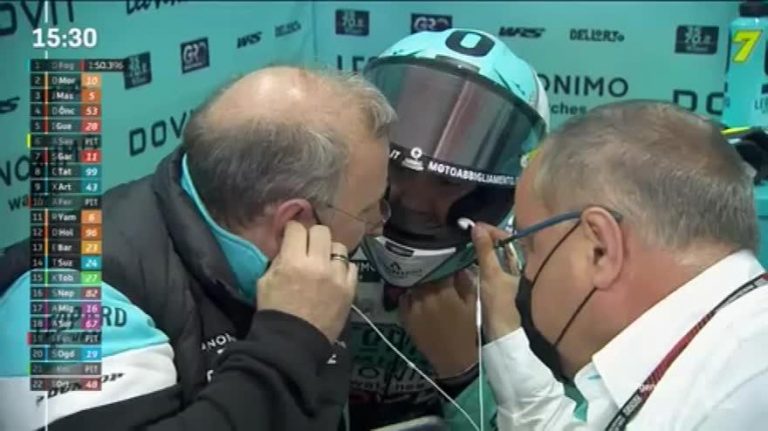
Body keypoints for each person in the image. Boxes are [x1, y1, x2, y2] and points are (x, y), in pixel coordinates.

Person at [0, 66, 396, 430]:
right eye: (366, 210)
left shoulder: (301, 261)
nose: (379, 222)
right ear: (293, 222)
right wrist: (291, 339)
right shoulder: (61, 298)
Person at [471, 101, 768, 430]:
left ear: (600, 249)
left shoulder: (730, 402)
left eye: (529, 248)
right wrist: (511, 348)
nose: (522, 275)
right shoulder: (722, 363)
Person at [346, 28, 554, 430]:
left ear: (493, 190)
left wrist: (462, 369)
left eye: (447, 181)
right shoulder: (313, 235)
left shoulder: (523, 277)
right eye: (398, 168)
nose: (413, 201)